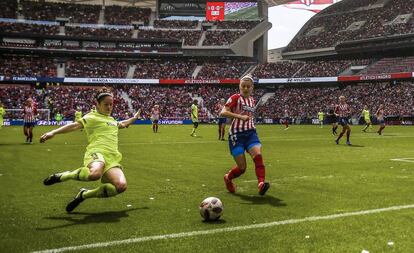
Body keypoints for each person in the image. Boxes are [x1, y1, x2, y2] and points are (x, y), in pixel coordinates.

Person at [41, 90, 141, 213]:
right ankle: (64, 176)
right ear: (97, 105)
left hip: (112, 158)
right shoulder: (91, 117)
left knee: (120, 186)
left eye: (111, 104)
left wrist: (134, 118)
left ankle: (83, 195)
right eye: (106, 104)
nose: (109, 107)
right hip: (96, 152)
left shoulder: (112, 120)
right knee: (95, 174)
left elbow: (122, 123)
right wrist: (53, 132)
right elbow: (75, 125)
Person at [221, 75, 270, 196]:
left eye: (248, 86)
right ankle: (228, 177)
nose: (246, 88)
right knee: (242, 168)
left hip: (250, 133)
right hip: (236, 135)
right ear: (240, 86)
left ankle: (261, 184)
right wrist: (240, 117)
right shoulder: (235, 98)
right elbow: (223, 112)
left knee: (258, 156)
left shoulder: (252, 100)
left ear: (252, 88)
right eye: (243, 86)